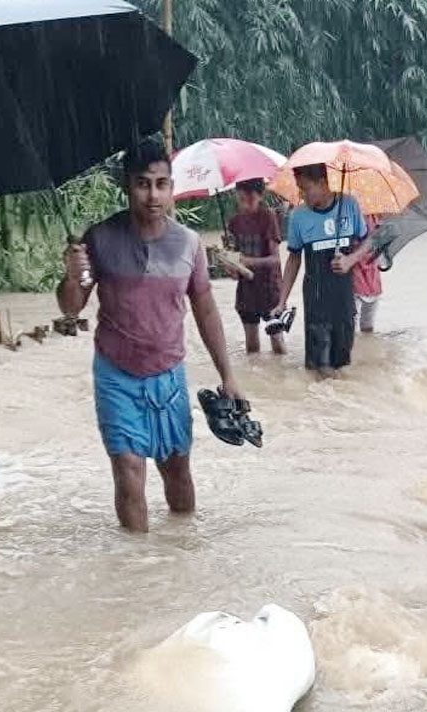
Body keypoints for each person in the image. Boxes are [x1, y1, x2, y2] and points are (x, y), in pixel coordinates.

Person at [58, 138, 245, 533]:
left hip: (169, 375)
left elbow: (206, 309)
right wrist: (72, 276)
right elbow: (71, 307)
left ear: (172, 187)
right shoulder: (100, 239)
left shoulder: (188, 244)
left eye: (161, 184)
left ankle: (182, 555)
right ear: (127, 187)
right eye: (142, 184)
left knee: (177, 469)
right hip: (116, 374)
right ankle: (140, 572)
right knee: (128, 472)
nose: (153, 195)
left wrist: (228, 375)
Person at [271, 163, 369, 378]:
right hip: (315, 301)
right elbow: (294, 258)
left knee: (342, 364)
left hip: (344, 300)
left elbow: (368, 241)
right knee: (319, 367)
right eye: (299, 188)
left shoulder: (349, 205)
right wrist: (282, 301)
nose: (301, 194)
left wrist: (350, 260)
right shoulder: (298, 216)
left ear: (323, 184)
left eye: (305, 188)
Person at [225, 178, 285, 355]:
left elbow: (276, 259)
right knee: (251, 348)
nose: (246, 204)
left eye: (250, 198)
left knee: (278, 343)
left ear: (260, 196)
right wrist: (232, 268)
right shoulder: (234, 222)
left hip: (270, 290)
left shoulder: (268, 216)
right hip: (246, 292)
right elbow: (235, 259)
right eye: (242, 199)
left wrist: (248, 261)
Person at [352, 214, 383, 333]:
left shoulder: (375, 217)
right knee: (353, 328)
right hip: (355, 275)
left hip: (372, 277)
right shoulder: (348, 215)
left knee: (367, 329)